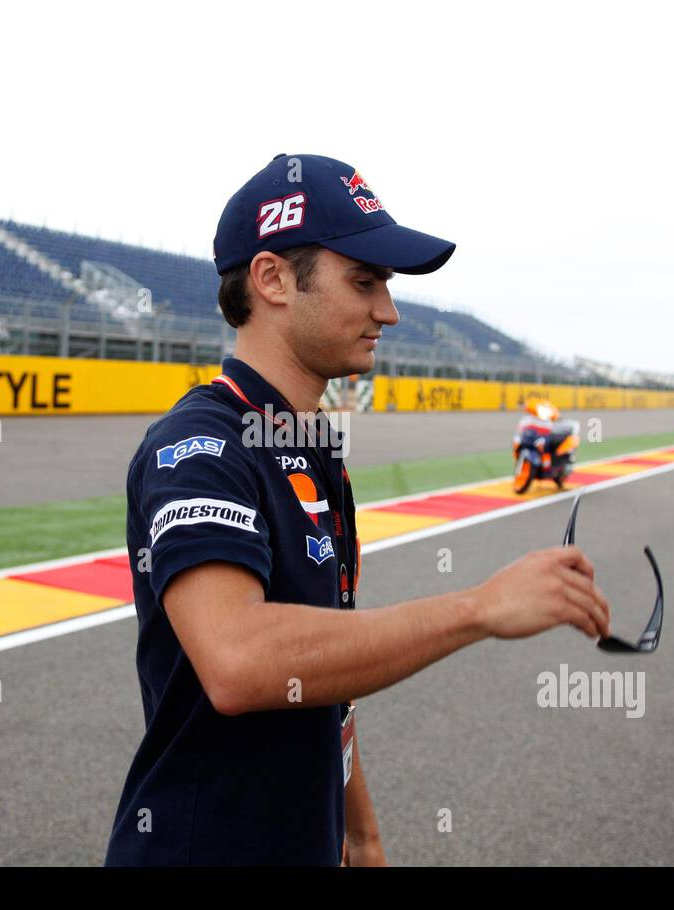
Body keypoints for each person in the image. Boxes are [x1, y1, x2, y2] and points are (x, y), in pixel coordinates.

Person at [103, 154, 611, 867]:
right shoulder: (199, 445)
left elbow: (321, 675)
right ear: (273, 278)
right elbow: (241, 659)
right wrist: (479, 608)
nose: (389, 311)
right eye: (364, 281)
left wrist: (359, 829)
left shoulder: (312, 449)